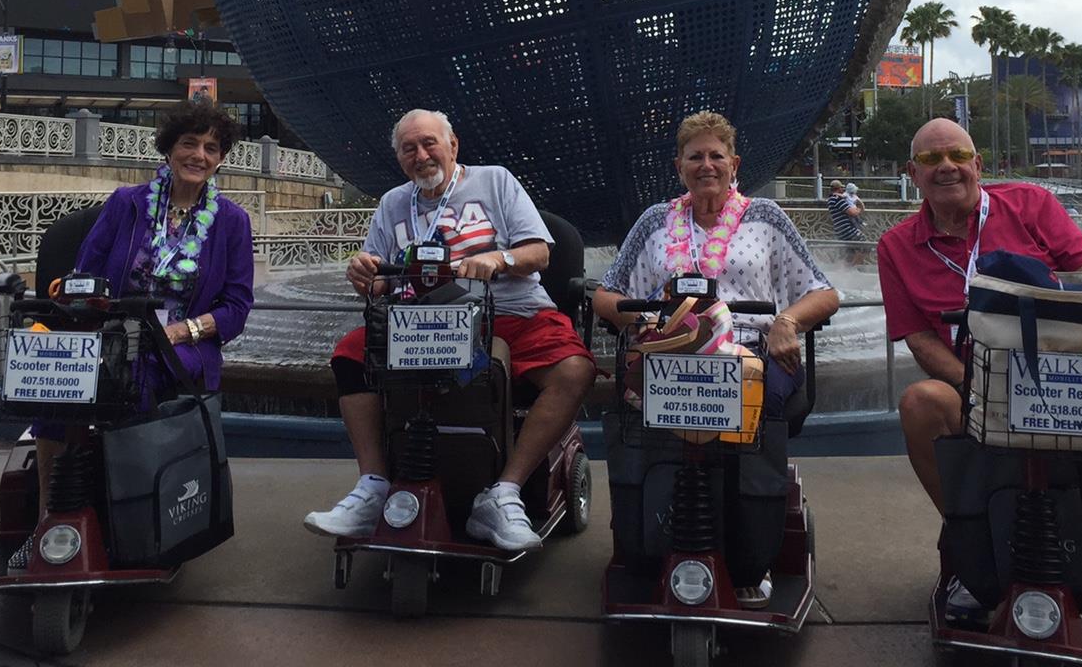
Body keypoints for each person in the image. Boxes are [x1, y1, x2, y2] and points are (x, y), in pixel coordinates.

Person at [878, 117, 1082, 621]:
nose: (945, 167)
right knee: (920, 403)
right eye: (930, 160)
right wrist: (973, 389)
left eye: (956, 155)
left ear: (978, 164)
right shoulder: (896, 246)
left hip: (1065, 377)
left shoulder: (1030, 204)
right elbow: (919, 337)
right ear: (913, 173)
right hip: (975, 387)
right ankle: (971, 542)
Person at [304, 109, 595, 552]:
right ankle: (373, 485)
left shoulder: (494, 180)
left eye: (429, 143)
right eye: (409, 149)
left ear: (453, 145)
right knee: (350, 354)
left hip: (509, 311)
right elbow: (381, 277)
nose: (421, 155)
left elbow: (539, 253)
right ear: (400, 159)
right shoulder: (392, 203)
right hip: (420, 318)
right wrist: (365, 273)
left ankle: (504, 492)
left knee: (573, 371)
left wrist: (499, 260)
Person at [594, 110, 840, 607]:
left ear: (734, 164)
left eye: (715, 155)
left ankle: (752, 552)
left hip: (752, 349)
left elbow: (822, 291)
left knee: (757, 404)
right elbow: (608, 293)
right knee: (634, 405)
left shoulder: (767, 217)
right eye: (695, 156)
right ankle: (645, 537)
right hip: (674, 352)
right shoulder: (654, 222)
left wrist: (787, 323)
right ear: (678, 166)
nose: (706, 165)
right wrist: (639, 326)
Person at [13, 99, 256, 565]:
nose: (199, 155)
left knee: (138, 371)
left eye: (211, 147)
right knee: (63, 381)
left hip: (181, 346)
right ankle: (50, 519)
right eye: (189, 143)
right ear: (169, 149)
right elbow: (85, 272)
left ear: (220, 158)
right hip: (111, 333)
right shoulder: (126, 204)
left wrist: (182, 331)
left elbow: (236, 308)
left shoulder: (232, 221)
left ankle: (135, 517)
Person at [827, 178, 866, 242]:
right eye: (841, 188)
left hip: (839, 231)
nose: (843, 189)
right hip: (847, 230)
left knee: (851, 250)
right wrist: (859, 209)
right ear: (839, 188)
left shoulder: (830, 199)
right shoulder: (837, 199)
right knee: (863, 246)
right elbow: (852, 212)